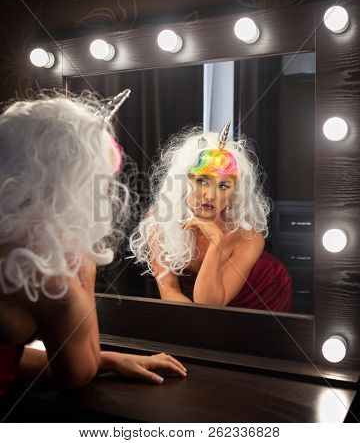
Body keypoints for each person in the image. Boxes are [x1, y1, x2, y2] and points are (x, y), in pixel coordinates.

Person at [0, 92, 187, 400]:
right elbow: (77, 373)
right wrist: (81, 249)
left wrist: (109, 359)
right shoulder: (42, 276)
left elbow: (12, 360)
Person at [130, 122, 292, 312]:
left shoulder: (249, 237)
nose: (210, 195)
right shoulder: (159, 222)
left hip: (264, 295)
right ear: (184, 181)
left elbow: (209, 304)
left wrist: (217, 240)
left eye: (223, 186)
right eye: (202, 181)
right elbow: (170, 292)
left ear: (235, 192)